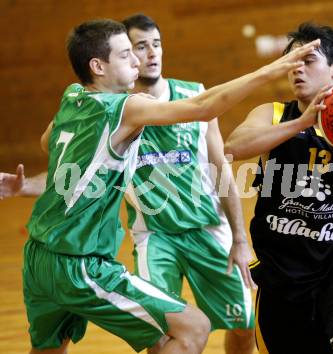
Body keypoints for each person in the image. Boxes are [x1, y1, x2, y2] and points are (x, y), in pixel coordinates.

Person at [0, 18, 320, 354]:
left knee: (49, 349)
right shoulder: (127, 107)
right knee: (195, 328)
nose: (138, 60)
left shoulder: (73, 95)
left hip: (38, 256)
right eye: (126, 55)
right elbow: (203, 107)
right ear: (98, 66)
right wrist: (271, 70)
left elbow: (49, 145)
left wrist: (25, 187)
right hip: (79, 262)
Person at [225, 23, 333, 354]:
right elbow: (232, 147)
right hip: (282, 267)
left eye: (308, 60)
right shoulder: (274, 114)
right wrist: (301, 123)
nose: (297, 68)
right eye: (292, 60)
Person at [121, 14, 255, 354]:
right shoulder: (116, 109)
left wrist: (240, 239)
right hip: (155, 236)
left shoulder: (194, 96)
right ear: (126, 54)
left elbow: (222, 169)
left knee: (244, 325)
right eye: (141, 46)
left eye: (157, 44)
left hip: (207, 230)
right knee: (161, 333)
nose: (152, 53)